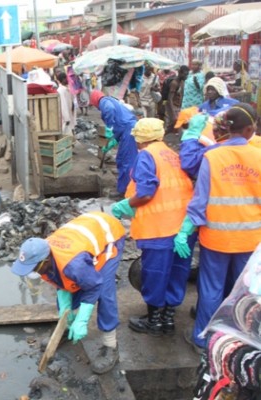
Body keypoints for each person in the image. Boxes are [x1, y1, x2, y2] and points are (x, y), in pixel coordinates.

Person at [174, 104, 261, 353]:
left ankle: (203, 338)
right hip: (250, 240)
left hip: (216, 238)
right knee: (242, 290)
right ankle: (237, 340)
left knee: (211, 289)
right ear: (248, 130)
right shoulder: (259, 156)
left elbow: (199, 202)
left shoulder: (212, 157)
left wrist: (185, 231)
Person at [10, 212, 126, 374]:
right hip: (84, 234)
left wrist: (82, 319)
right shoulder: (42, 257)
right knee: (73, 285)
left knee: (104, 292)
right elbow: (60, 279)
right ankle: (65, 328)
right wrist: (66, 309)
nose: (33, 271)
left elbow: (93, 286)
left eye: (34, 267)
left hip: (110, 236)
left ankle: (111, 345)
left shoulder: (74, 264)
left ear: (46, 260)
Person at [111, 118, 194, 337]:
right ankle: (168, 318)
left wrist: (125, 205)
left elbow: (146, 192)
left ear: (140, 139)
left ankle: (155, 320)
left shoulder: (146, 155)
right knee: (177, 272)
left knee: (155, 274)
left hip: (160, 229)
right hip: (183, 229)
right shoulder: (172, 154)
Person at [90, 90, 138, 194]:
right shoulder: (111, 100)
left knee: (127, 161)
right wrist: (114, 140)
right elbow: (119, 122)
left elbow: (109, 109)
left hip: (129, 130)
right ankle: (123, 187)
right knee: (120, 159)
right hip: (126, 130)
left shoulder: (103, 101)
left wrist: (109, 126)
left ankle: (126, 191)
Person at [166, 66, 188, 134]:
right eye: (185, 74)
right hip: (173, 107)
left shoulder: (182, 82)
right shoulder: (174, 83)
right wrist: (173, 113)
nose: (186, 76)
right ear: (180, 73)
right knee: (171, 125)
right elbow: (170, 99)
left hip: (178, 107)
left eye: (187, 74)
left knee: (174, 126)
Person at [56, 72, 76, 137]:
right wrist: (66, 118)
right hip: (65, 117)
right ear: (63, 79)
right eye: (66, 78)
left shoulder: (68, 88)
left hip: (70, 113)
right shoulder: (60, 91)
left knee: (71, 129)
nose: (67, 80)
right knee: (66, 133)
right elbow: (63, 105)